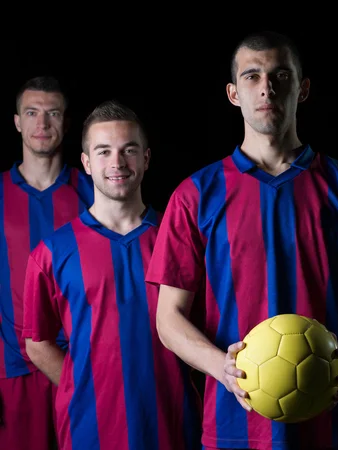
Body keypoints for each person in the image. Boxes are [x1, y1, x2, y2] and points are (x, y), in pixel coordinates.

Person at [145, 30, 338, 450]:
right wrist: (223, 368)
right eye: (252, 76)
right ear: (234, 93)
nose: (266, 88)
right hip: (235, 427)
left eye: (280, 75)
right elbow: (168, 320)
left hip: (333, 422)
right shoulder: (195, 195)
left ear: (303, 88)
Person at [22, 100, 203, 449]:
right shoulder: (51, 252)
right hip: (88, 430)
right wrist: (88, 386)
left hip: (175, 425)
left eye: (128, 150)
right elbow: (38, 342)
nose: (117, 163)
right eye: (103, 152)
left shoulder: (181, 238)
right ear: (87, 163)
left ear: (146, 159)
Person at [0, 75, 93, 449]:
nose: (42, 124)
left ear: (67, 123)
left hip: (82, 366)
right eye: (32, 113)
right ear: (18, 121)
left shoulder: (93, 189)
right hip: (11, 370)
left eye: (52, 113)